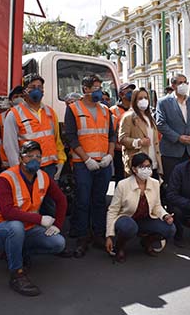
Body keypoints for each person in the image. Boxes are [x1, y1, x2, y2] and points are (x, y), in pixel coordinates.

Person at [0, 141, 66, 296]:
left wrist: (58, 225)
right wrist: (39, 219)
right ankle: (17, 274)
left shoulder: (43, 176)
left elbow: (61, 200)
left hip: (27, 228)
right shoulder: (5, 178)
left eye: (38, 156)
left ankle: (17, 252)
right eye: (29, 156)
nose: (34, 160)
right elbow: (7, 213)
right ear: (20, 159)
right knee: (15, 226)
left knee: (59, 243)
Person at [65, 74, 116, 258]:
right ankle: (82, 237)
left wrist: (110, 155)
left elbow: (111, 135)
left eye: (100, 87)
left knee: (99, 200)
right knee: (83, 200)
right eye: (95, 88)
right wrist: (86, 159)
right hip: (83, 163)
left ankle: (99, 234)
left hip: (103, 163)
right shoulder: (73, 109)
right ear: (85, 89)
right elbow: (71, 136)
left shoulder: (105, 110)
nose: (99, 91)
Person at [105, 153, 175, 262]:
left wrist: (165, 215)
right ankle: (119, 247)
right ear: (134, 169)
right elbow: (113, 210)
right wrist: (109, 236)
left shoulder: (155, 183)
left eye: (148, 166)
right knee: (129, 227)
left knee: (170, 229)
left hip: (145, 219)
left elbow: (157, 205)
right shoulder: (123, 185)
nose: (146, 170)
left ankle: (147, 242)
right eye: (142, 167)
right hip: (127, 218)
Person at [3, 73, 66, 181]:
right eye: (32, 87)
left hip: (50, 168)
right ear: (24, 91)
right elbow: (10, 147)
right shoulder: (14, 114)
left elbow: (57, 141)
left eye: (40, 87)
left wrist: (61, 161)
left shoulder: (50, 112)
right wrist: (18, 172)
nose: (37, 90)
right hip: (28, 169)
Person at [156, 74, 190, 183]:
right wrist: (178, 138)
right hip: (171, 152)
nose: (183, 85)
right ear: (173, 85)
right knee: (172, 182)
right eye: (180, 82)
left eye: (185, 82)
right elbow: (160, 123)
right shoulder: (163, 102)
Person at [118, 87, 163, 179]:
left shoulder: (150, 117)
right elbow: (122, 139)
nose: (144, 100)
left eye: (146, 98)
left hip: (153, 163)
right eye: (140, 98)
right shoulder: (128, 117)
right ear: (134, 100)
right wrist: (139, 142)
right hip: (138, 165)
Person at [0, 86, 24, 175]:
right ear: (10, 101)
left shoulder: (31, 116)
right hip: (6, 164)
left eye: (22, 96)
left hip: (28, 162)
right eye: (16, 96)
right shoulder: (0, 118)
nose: (19, 99)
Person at [110, 83, 136, 185]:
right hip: (119, 150)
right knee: (121, 179)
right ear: (121, 94)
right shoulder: (113, 110)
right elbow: (111, 132)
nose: (131, 93)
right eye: (128, 91)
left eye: (132, 90)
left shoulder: (136, 109)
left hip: (134, 149)